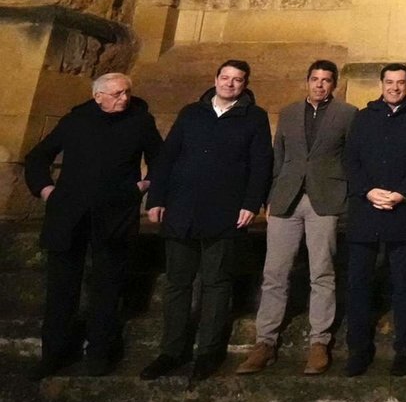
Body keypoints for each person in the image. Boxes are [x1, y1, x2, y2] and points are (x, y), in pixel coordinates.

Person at [24, 73, 163, 380]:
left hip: (114, 215)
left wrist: (142, 187)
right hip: (68, 216)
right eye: (116, 94)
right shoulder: (76, 120)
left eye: (127, 92)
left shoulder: (139, 122)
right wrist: (47, 190)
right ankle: (54, 355)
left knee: (107, 287)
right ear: (98, 96)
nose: (123, 98)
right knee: (62, 289)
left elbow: (161, 160)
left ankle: (99, 353)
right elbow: (37, 157)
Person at [141, 60, 272, 383]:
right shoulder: (191, 113)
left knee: (215, 283)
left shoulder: (254, 117)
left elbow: (260, 164)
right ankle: (172, 350)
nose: (229, 84)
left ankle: (208, 352)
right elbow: (168, 156)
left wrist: (250, 204)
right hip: (182, 210)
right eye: (225, 78)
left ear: (245, 85)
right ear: (215, 79)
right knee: (177, 284)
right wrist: (156, 198)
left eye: (237, 80)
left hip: (225, 213)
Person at [237, 60, 356, 377]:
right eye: (315, 79)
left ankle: (319, 342)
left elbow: (351, 158)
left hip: (324, 200)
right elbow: (278, 155)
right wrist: (271, 196)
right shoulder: (288, 112)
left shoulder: (346, 115)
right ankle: (265, 342)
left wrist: (345, 196)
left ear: (334, 84)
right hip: (286, 199)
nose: (319, 85)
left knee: (322, 272)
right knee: (274, 272)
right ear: (307, 81)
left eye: (326, 80)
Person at [344, 63, 406, 377]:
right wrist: (368, 191)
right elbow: (351, 159)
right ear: (380, 83)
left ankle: (405, 350)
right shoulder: (363, 117)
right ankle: (358, 350)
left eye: (400, 82)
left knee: (404, 285)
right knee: (358, 285)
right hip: (365, 212)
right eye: (389, 82)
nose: (395, 87)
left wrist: (401, 193)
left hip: (402, 210)